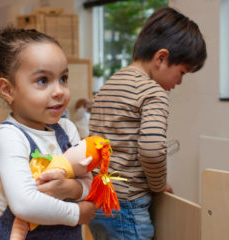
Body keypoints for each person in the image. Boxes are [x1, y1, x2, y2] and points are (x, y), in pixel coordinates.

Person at [88, 7, 207, 240]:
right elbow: (152, 152)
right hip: (127, 206)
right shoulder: (153, 93)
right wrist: (159, 184)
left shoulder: (108, 85)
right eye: (182, 72)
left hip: (98, 200)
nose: (180, 82)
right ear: (161, 58)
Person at [0, 27, 95, 240]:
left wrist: (69, 187)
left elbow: (92, 185)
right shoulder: (8, 136)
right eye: (43, 80)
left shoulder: (67, 130)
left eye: (63, 78)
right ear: (8, 90)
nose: (59, 91)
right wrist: (78, 213)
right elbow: (25, 204)